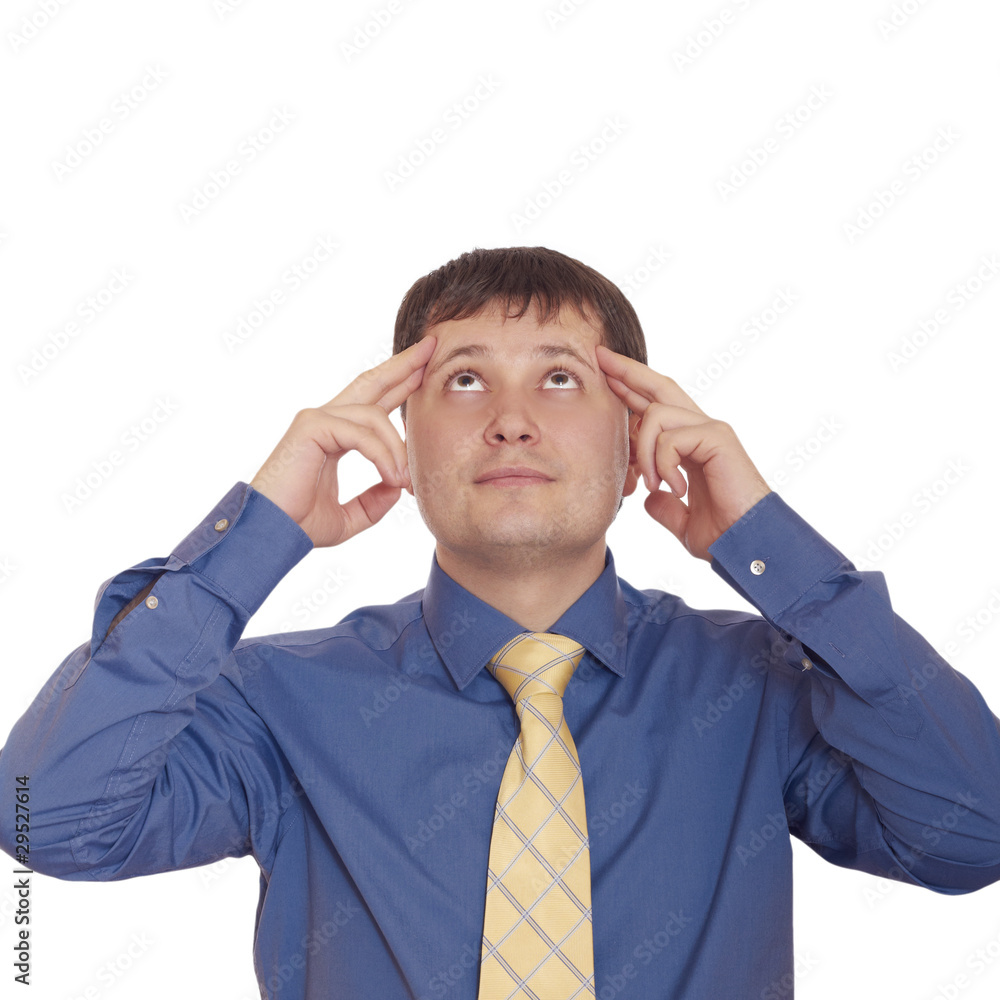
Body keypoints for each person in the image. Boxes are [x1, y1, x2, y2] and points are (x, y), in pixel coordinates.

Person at [2, 245, 999, 999]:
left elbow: (973, 834)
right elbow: (45, 817)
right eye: (464, 380)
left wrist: (779, 554)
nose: (510, 419)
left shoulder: (761, 683)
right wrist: (251, 538)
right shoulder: (275, 700)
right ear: (399, 434)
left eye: (560, 378)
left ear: (636, 433)